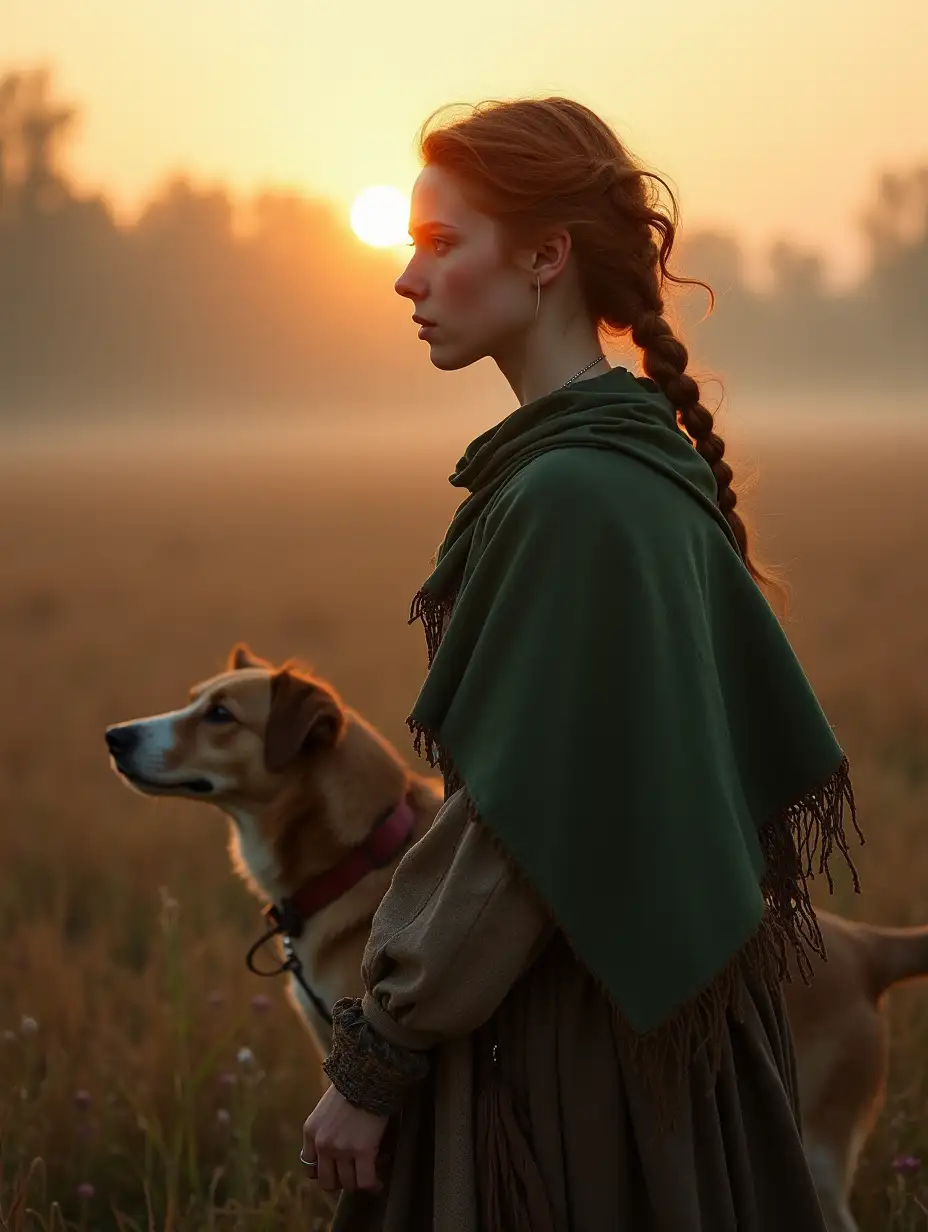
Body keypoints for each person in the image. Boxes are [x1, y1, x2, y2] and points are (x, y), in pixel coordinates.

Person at [300, 96, 863, 1231]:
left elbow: (518, 825)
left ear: (546, 255)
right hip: (664, 1039)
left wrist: (376, 1059)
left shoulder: (571, 495)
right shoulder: (618, 464)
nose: (407, 281)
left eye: (439, 244)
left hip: (576, 1049)